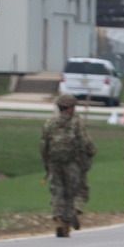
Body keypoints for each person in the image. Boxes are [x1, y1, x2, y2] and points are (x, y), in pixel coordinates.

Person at [40, 93, 97, 237]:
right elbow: (86, 142)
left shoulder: (50, 123)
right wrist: (92, 152)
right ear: (70, 108)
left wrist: (47, 163)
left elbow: (43, 146)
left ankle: (58, 220)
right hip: (72, 164)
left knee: (57, 192)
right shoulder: (76, 123)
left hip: (54, 163)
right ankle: (67, 223)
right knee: (71, 194)